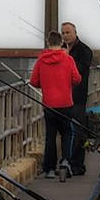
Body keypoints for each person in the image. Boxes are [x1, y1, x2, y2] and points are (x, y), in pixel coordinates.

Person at [29, 31, 81, 178]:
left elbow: (34, 82)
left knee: (50, 136)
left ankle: (49, 169)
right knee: (68, 133)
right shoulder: (68, 59)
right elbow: (77, 79)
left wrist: (45, 84)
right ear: (61, 42)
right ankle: (65, 161)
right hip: (66, 104)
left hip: (49, 104)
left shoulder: (41, 60)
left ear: (48, 42)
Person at [62, 22, 93, 175]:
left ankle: (77, 165)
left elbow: (81, 69)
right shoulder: (60, 49)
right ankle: (66, 162)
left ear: (75, 33)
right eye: (63, 33)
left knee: (78, 131)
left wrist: (67, 59)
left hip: (78, 97)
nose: (65, 35)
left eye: (68, 32)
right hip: (62, 97)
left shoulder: (85, 50)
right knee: (66, 131)